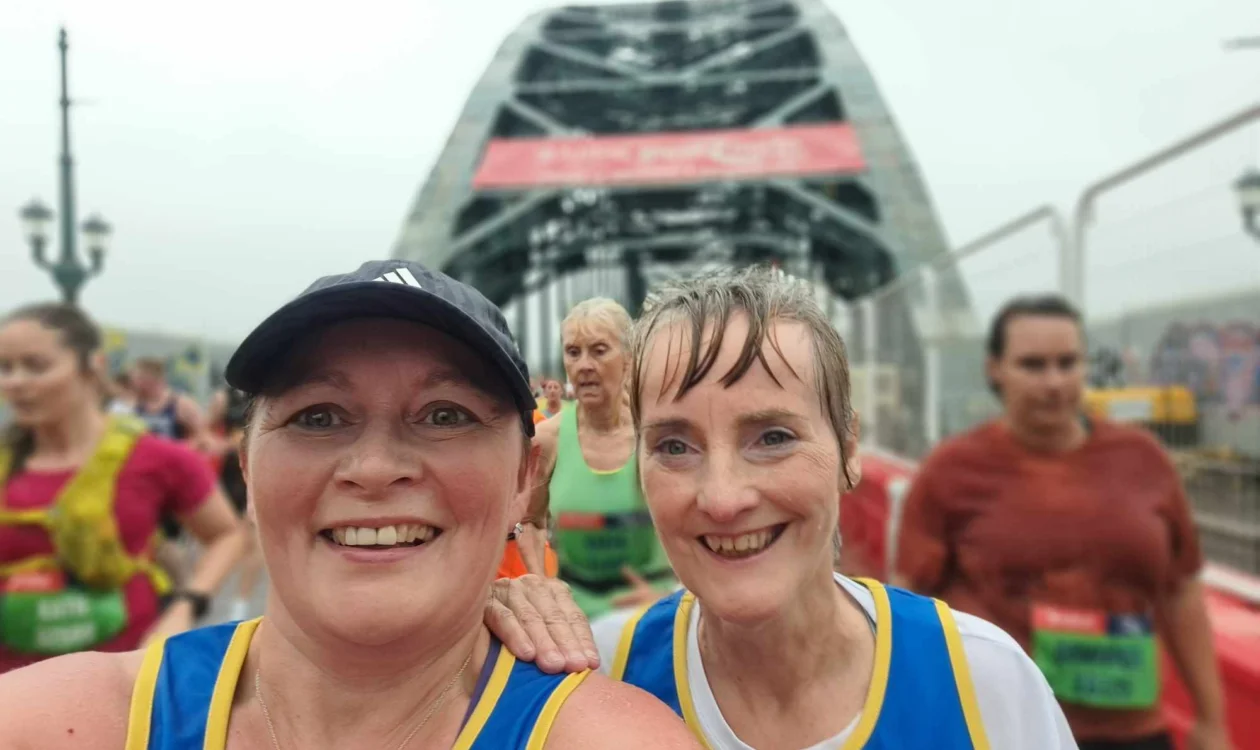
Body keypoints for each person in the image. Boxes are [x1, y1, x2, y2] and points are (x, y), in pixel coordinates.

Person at [0, 261, 698, 750]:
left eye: (446, 415)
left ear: (525, 473)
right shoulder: (47, 724)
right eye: (318, 417)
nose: (373, 469)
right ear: (247, 467)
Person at [578, 267, 1072, 748]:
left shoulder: (989, 685)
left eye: (773, 437)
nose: (724, 499)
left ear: (849, 449)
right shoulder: (598, 676)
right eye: (674, 447)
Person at [894, 295, 1232, 750]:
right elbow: (911, 603)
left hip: (1133, 734)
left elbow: (1180, 590)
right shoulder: (951, 471)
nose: (1054, 382)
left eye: (1067, 362)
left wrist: (1211, 719)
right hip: (1004, 730)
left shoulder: (1144, 460)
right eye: (1033, 365)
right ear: (995, 370)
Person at [0, 303, 245, 676]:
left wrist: (185, 607)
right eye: (5, 368)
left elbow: (227, 533)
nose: (15, 382)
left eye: (36, 366)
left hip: (124, 683)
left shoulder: (155, 458)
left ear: (92, 367)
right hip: (13, 689)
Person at [525, 298, 674, 619]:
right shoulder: (548, 440)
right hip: (579, 622)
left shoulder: (659, 434)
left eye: (599, 350)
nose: (584, 365)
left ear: (629, 360)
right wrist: (543, 586)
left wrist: (672, 596)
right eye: (573, 352)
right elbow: (529, 523)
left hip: (659, 616)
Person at [130, 357, 210, 447]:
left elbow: (203, 436)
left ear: (148, 379)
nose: (133, 382)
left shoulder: (180, 403)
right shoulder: (135, 404)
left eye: (136, 378)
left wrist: (178, 449)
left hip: (173, 457)